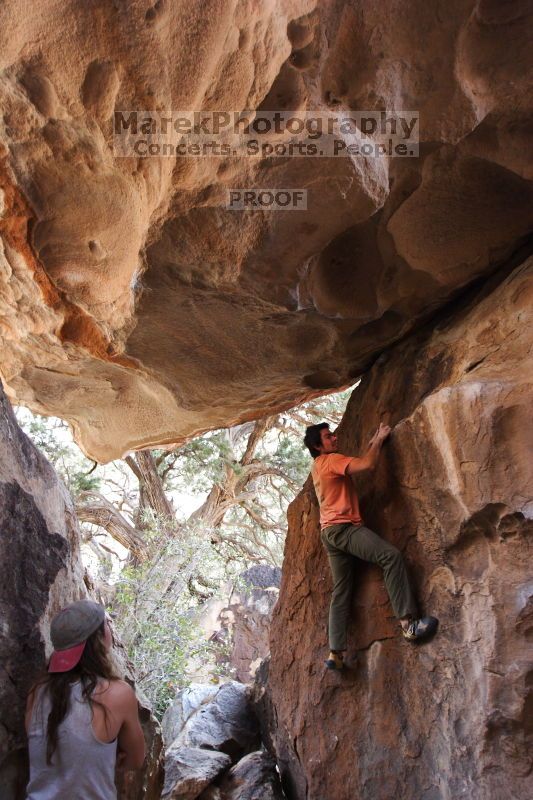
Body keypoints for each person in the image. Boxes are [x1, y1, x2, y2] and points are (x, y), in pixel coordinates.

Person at [304, 422, 438, 670]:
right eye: (327, 436)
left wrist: (372, 444)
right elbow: (368, 464)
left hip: (329, 532)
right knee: (391, 557)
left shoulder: (319, 465)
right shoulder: (331, 460)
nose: (334, 438)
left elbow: (359, 460)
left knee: (342, 590)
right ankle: (409, 625)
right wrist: (380, 439)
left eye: (332, 434)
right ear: (317, 446)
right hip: (344, 529)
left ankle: (335, 653)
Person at [25, 599, 145, 799]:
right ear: (99, 637)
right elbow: (135, 760)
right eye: (106, 623)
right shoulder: (118, 694)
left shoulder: (36, 692)